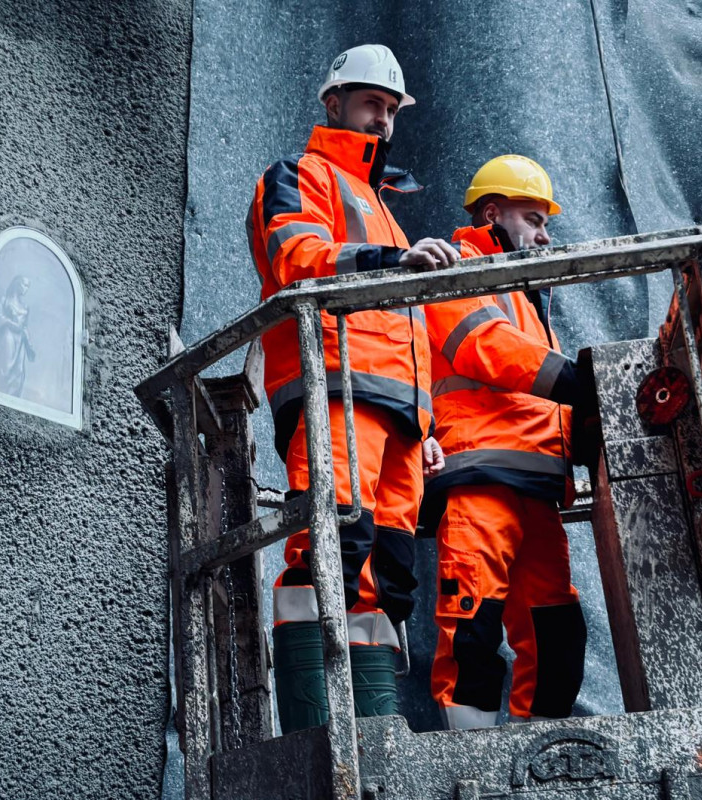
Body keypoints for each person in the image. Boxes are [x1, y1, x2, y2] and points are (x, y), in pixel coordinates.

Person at [247, 44, 457, 731]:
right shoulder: (298, 175)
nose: (384, 121)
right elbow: (294, 258)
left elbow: (410, 333)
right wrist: (392, 259)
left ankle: (373, 746)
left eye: (392, 110)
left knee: (388, 575)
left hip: (395, 416)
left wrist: (424, 429)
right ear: (332, 102)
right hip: (334, 389)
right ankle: (318, 744)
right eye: (373, 103)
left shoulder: (383, 205)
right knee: (330, 550)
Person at [423, 155, 592, 729]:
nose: (544, 236)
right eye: (532, 218)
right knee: (471, 629)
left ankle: (537, 766)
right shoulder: (454, 271)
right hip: (480, 478)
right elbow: (488, 348)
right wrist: (579, 381)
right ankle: (469, 773)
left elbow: (536, 388)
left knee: (557, 635)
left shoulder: (522, 296)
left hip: (533, 485)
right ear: (492, 213)